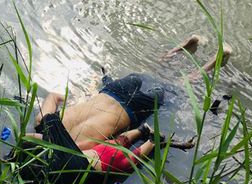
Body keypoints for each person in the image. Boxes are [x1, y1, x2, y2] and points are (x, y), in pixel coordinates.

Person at [35, 36, 232, 151]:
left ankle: (214, 62)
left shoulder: (74, 148)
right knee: (153, 71)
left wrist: (143, 138)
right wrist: (82, 100)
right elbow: (54, 96)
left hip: (132, 109)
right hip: (113, 91)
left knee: (178, 85)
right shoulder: (43, 121)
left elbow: (116, 142)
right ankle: (185, 46)